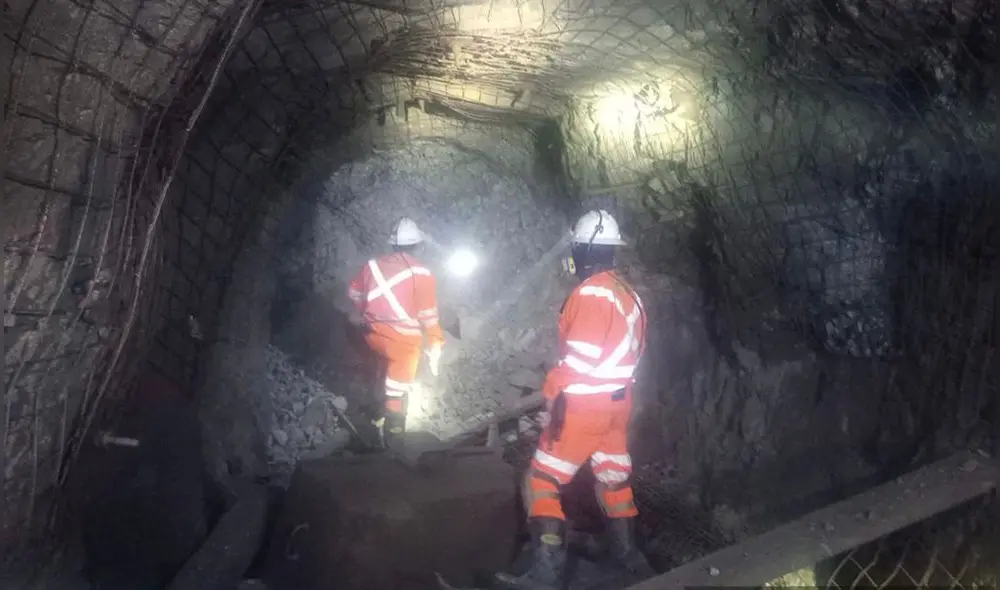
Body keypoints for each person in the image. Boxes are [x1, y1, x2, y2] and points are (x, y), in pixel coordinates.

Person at [496, 210, 653, 589]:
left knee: (541, 479)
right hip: (618, 404)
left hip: (585, 406)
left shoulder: (590, 294)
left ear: (582, 250)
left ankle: (547, 572)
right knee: (613, 478)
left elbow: (580, 360)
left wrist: (553, 392)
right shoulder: (628, 295)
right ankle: (627, 558)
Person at [347, 217, 445, 447]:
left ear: (393, 244)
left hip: (371, 335)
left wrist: (364, 311)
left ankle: (372, 414)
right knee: (397, 388)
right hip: (401, 345)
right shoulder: (422, 274)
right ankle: (394, 432)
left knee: (377, 364)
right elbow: (428, 316)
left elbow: (353, 293)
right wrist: (435, 343)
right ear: (417, 246)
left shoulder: (371, 265)